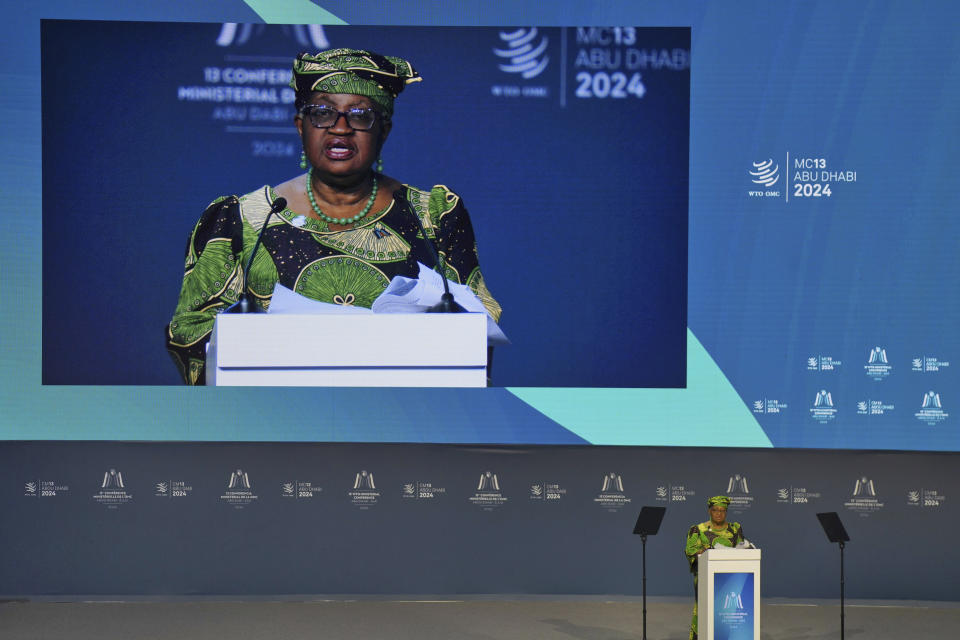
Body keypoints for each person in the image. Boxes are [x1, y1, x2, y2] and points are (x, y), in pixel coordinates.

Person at [166, 49, 501, 384]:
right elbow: (192, 335)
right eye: (323, 113)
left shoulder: (434, 217)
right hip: (273, 423)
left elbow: (475, 332)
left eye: (360, 115)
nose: (340, 128)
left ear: (383, 130)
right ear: (301, 127)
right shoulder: (241, 219)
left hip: (404, 421)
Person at [684, 495, 746, 640]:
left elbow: (742, 549)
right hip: (706, 579)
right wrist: (702, 552)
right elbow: (690, 552)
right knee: (704, 610)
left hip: (730, 578)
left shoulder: (735, 529)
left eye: (723, 510)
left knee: (728, 611)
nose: (719, 513)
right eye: (715, 510)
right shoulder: (697, 530)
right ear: (709, 511)